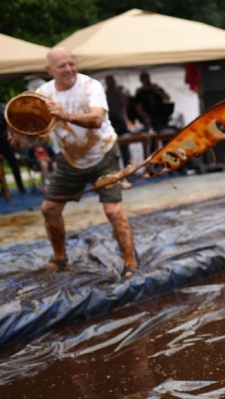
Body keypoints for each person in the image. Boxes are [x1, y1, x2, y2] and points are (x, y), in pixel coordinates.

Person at [11, 47, 138, 276]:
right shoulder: (42, 94)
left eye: (72, 63)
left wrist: (65, 115)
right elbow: (39, 135)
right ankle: (60, 258)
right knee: (49, 209)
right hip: (70, 159)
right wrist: (21, 139)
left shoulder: (90, 86)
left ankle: (130, 262)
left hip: (103, 153)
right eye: (62, 66)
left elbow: (97, 119)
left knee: (112, 211)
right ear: (49, 70)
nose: (69, 69)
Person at [0, 103, 28, 194]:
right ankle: (4, 189)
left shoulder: (3, 107)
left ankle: (21, 187)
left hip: (6, 140)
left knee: (14, 164)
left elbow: (10, 122)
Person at [105, 75, 132, 166]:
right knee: (112, 148)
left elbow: (125, 103)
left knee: (125, 147)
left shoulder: (119, 93)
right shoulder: (105, 94)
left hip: (120, 122)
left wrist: (119, 92)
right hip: (110, 123)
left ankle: (128, 168)